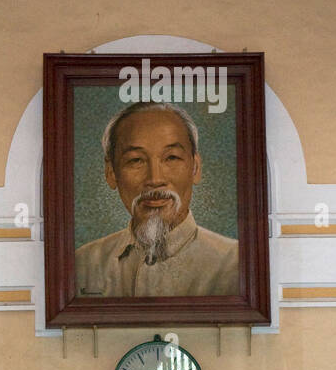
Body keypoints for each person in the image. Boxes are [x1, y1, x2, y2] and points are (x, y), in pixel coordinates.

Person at [74, 102, 238, 297]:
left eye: (171, 158)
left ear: (195, 168)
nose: (155, 180)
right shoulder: (83, 264)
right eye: (136, 160)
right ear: (111, 173)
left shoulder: (235, 263)